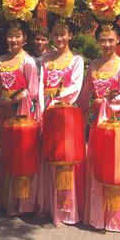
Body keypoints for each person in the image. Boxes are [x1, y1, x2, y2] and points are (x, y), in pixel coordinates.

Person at [77, 23, 120, 232]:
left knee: (116, 167)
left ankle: (115, 217)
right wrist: (76, 109)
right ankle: (97, 214)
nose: (107, 44)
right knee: (98, 164)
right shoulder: (93, 65)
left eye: (111, 40)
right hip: (97, 125)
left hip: (116, 126)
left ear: (119, 40)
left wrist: (103, 102)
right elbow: (86, 93)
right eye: (103, 40)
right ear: (97, 41)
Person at [0, 20, 39, 215]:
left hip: (21, 115)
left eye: (17, 35)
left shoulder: (27, 61)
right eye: (10, 35)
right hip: (4, 114)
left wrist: (13, 99)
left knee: (20, 155)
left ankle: (22, 203)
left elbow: (34, 91)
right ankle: (5, 198)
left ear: (25, 38)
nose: (13, 39)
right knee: (5, 153)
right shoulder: (2, 60)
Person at [37, 17, 85, 225]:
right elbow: (40, 85)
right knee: (46, 155)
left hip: (63, 113)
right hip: (46, 111)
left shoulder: (77, 60)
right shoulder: (46, 59)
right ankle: (48, 205)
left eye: (62, 34)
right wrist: (41, 107)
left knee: (63, 158)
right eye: (55, 34)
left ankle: (66, 210)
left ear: (70, 35)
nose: (59, 38)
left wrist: (55, 100)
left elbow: (75, 87)